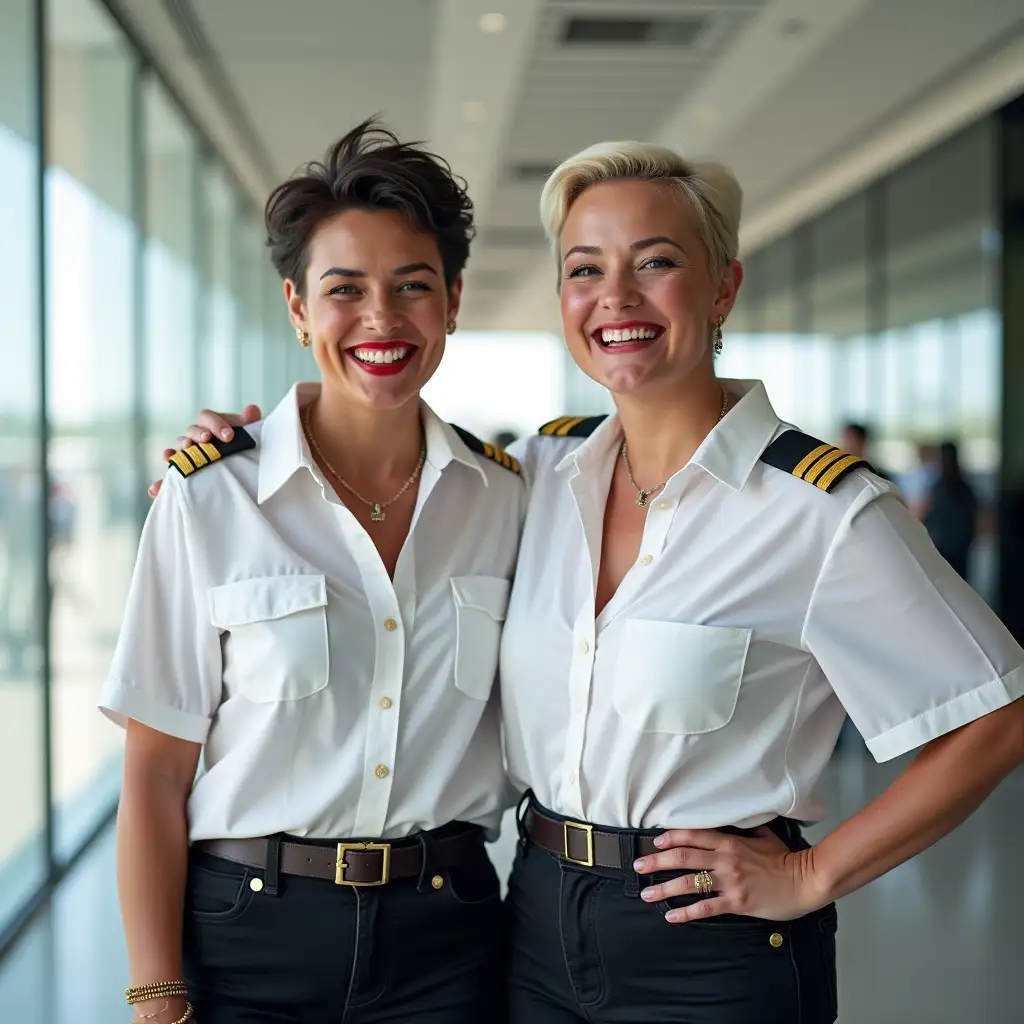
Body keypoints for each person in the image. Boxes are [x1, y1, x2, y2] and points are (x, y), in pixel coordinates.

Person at [166, 141, 1024, 1023]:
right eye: (586, 269)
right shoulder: (534, 475)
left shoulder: (819, 510)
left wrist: (812, 874)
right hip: (531, 925)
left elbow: (994, 715)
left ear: (723, 287)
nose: (616, 297)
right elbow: (375, 452)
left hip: (709, 948)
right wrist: (243, 452)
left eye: (656, 263)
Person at [103, 121, 525, 1024]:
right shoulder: (211, 499)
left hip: (446, 937)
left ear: (452, 299)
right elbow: (153, 774)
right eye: (345, 291)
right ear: (298, 309)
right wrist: (155, 989)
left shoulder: (509, 503)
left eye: (413, 286)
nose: (382, 319)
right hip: (245, 933)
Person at [921, 440, 979, 579]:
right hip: (961, 547)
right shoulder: (966, 488)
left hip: (941, 548)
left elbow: (928, 517)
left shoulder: (937, 488)